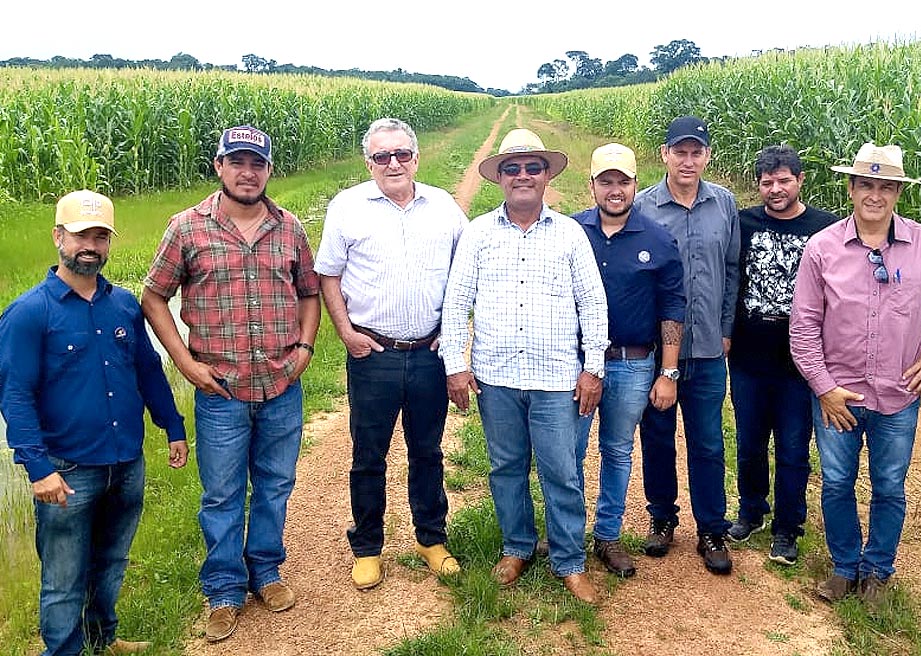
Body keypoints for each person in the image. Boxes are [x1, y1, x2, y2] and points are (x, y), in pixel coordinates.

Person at [141, 126, 320, 642]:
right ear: (218, 166)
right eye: (237, 162)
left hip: (282, 383)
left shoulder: (288, 228)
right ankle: (223, 589)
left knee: (275, 484)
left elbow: (309, 293)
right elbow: (154, 297)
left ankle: (265, 571)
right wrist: (186, 364)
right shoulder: (186, 228)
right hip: (219, 388)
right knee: (221, 494)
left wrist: (304, 349)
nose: (248, 173)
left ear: (268, 170)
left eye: (257, 164)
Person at [0, 190, 188, 656]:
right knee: (64, 577)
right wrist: (38, 468)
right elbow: (15, 396)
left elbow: (148, 370)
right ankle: (63, 649)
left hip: (126, 461)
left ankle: (102, 637)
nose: (91, 245)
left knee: (110, 561)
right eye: (82, 235)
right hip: (67, 470)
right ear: (58, 237)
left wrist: (173, 426)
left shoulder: (123, 305)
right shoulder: (29, 313)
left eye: (100, 236)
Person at [789, 142, 921, 606]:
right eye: (866, 185)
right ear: (851, 188)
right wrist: (824, 388)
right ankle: (843, 566)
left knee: (889, 486)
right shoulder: (822, 248)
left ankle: (877, 572)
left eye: (886, 187)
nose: (875, 195)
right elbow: (804, 326)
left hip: (899, 395)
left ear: (897, 193)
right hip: (839, 396)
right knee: (836, 482)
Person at [441, 128, 608, 604]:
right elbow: (457, 304)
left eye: (532, 167)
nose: (522, 176)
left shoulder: (570, 234)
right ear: (500, 178)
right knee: (506, 467)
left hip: (557, 378)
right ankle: (517, 546)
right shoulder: (477, 234)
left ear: (545, 175)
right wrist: (457, 365)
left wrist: (592, 367)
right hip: (496, 378)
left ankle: (569, 561)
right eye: (512, 168)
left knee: (561, 470)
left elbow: (593, 305)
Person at [315, 117, 466, 590]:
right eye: (382, 156)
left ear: (416, 158)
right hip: (372, 353)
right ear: (369, 162)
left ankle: (430, 538)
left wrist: (457, 332)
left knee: (427, 450)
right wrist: (345, 332)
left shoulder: (443, 207)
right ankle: (367, 546)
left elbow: (469, 272)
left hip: (427, 352)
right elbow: (328, 275)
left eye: (402, 154)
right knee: (368, 454)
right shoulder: (348, 208)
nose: (393, 163)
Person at [572, 143, 685, 578]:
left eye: (623, 181)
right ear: (593, 185)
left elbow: (673, 308)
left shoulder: (658, 239)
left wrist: (668, 373)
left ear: (636, 184)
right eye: (606, 181)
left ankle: (608, 536)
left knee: (617, 450)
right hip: (581, 363)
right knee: (572, 449)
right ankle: (569, 532)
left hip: (634, 363)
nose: (614, 190)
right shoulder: (572, 231)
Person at [633, 116, 740, 575]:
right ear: (665, 154)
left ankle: (711, 528)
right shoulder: (642, 207)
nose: (689, 160)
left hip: (710, 350)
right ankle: (661, 518)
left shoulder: (725, 204)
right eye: (681, 152)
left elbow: (734, 269)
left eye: (697, 152)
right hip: (657, 350)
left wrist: (727, 327)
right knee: (656, 438)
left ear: (707, 156)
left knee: (708, 443)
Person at [727, 145, 838, 566]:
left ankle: (788, 528)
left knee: (793, 447)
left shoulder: (824, 229)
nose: (775, 189)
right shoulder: (745, 223)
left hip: (800, 364)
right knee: (750, 441)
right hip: (749, 356)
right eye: (767, 182)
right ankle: (751, 511)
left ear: (800, 180)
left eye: (783, 180)